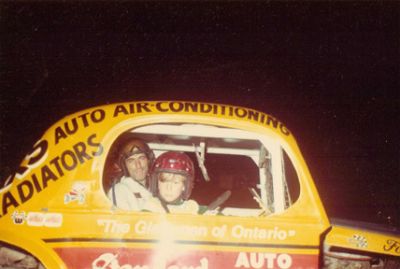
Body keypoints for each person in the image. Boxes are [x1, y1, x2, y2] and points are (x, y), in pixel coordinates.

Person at [107, 138, 154, 211]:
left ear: (149, 160)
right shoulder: (119, 191)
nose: (138, 165)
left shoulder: (159, 186)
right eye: (131, 161)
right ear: (124, 166)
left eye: (141, 158)